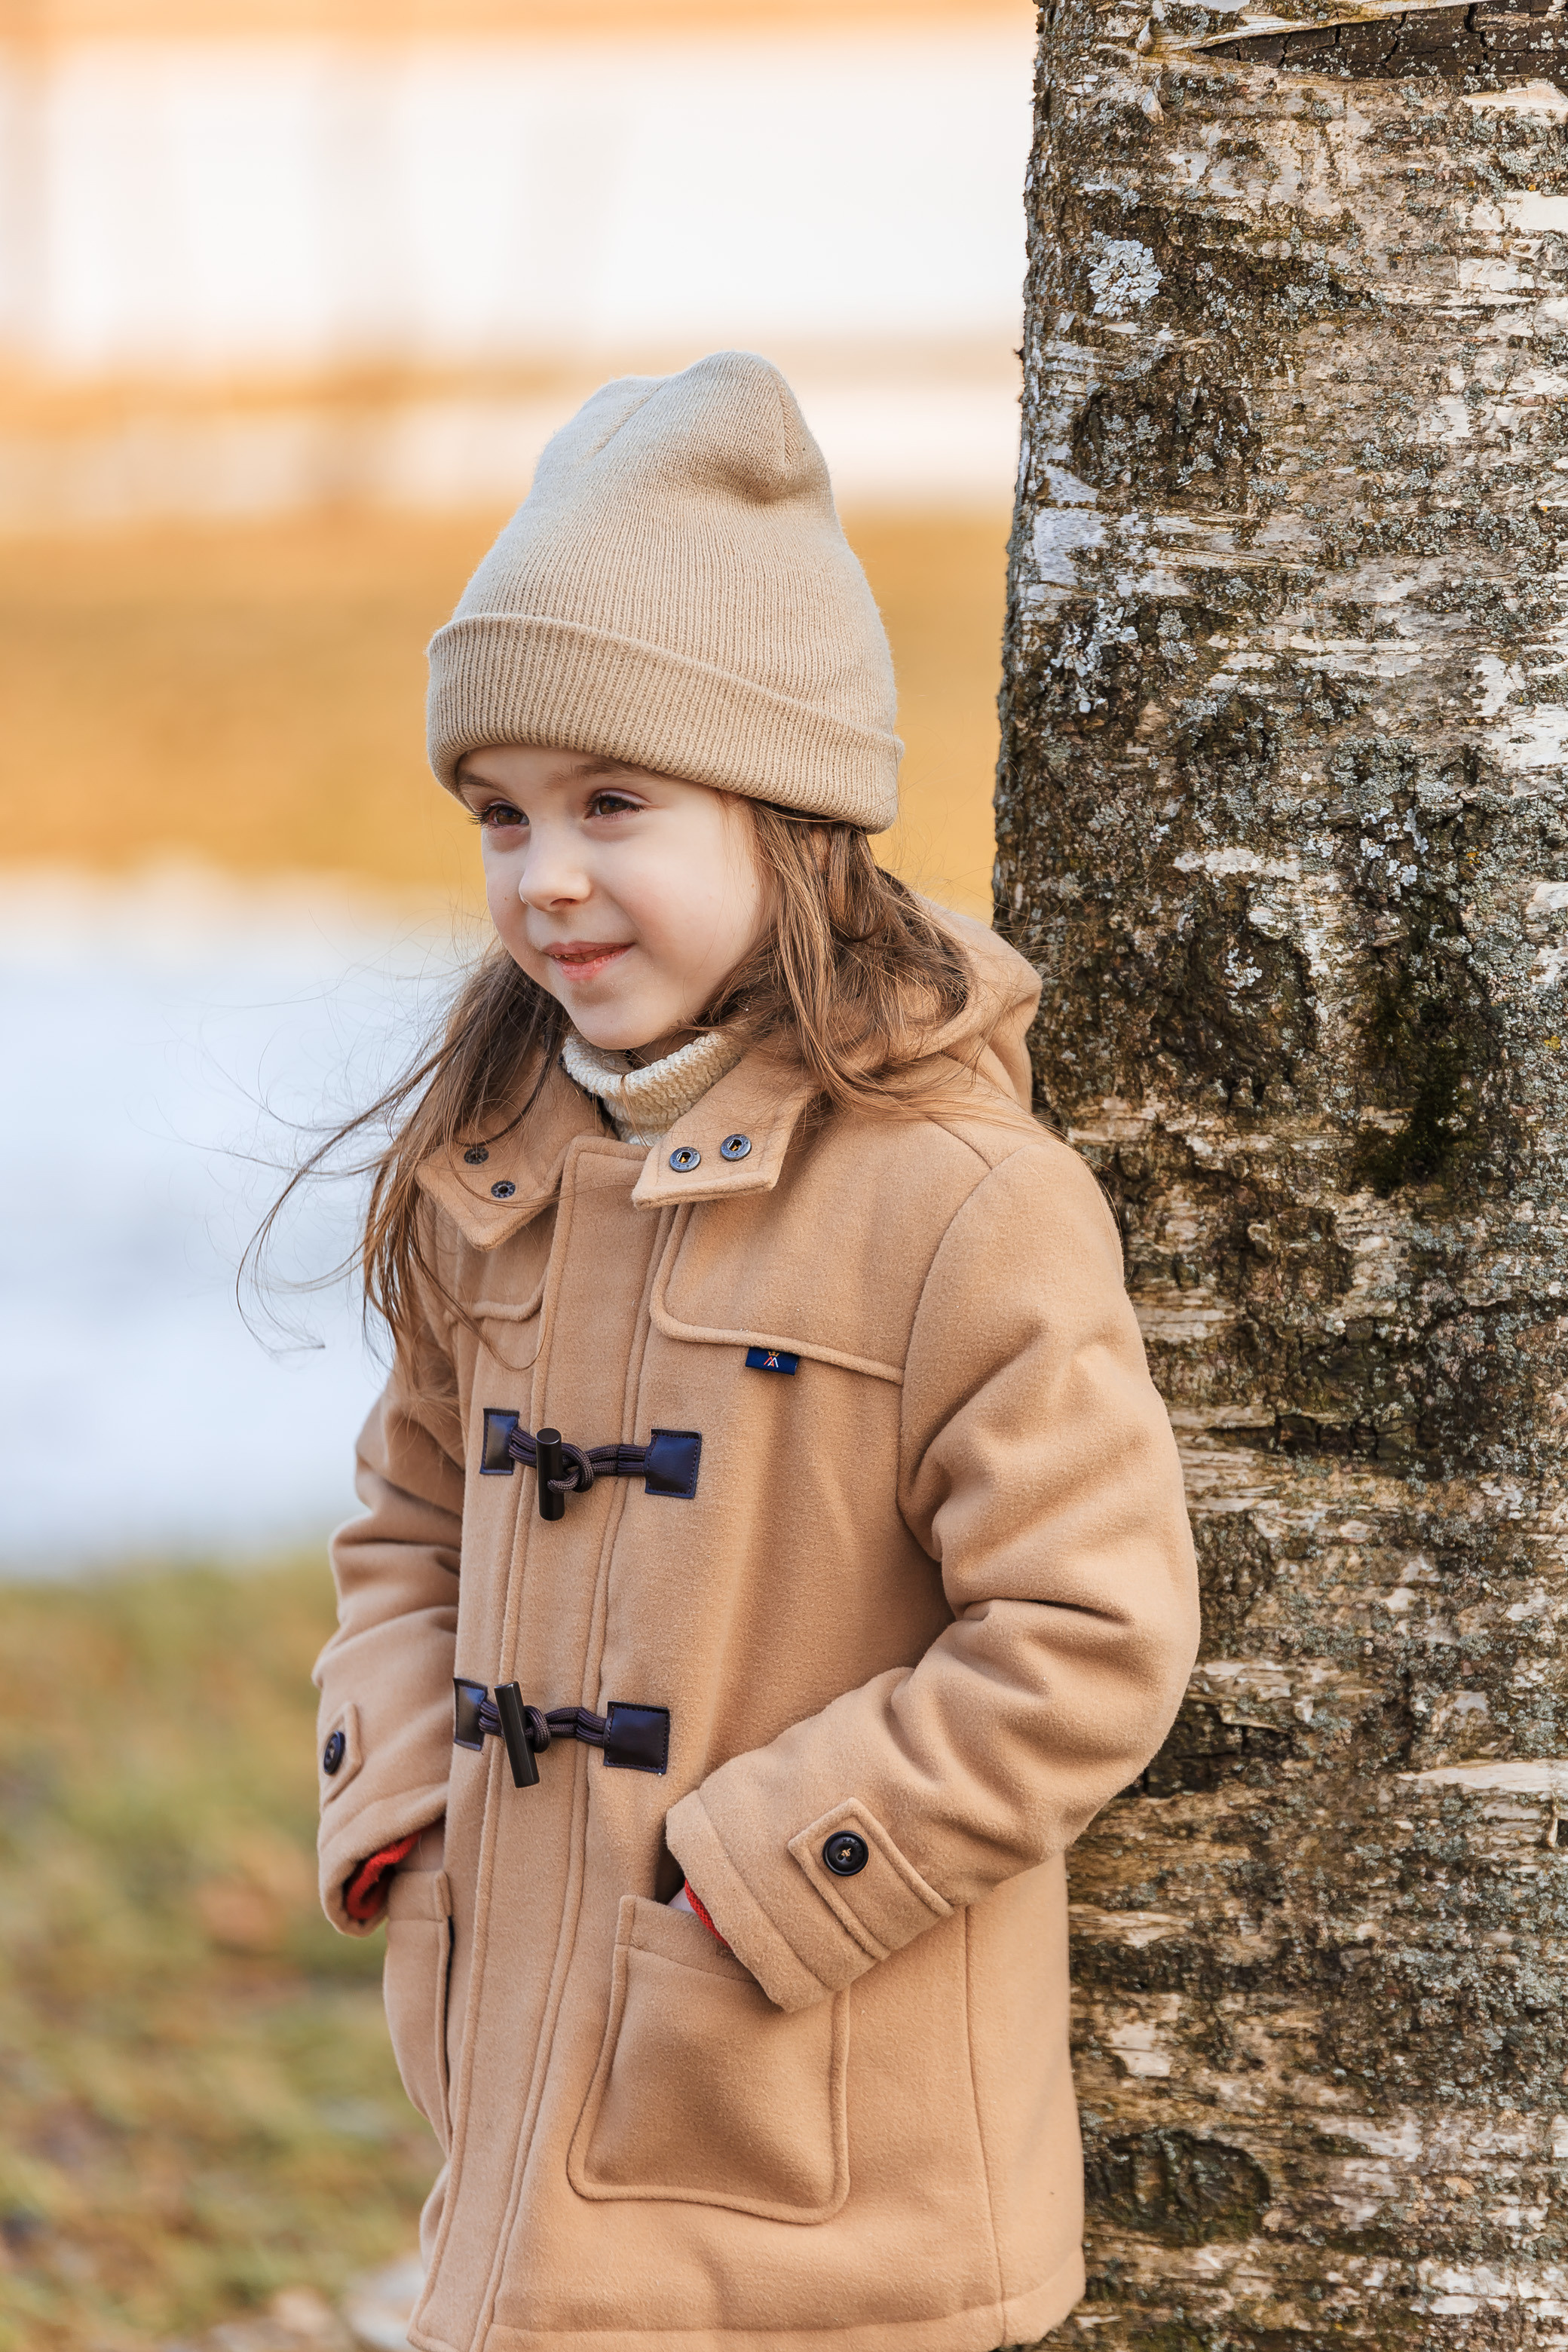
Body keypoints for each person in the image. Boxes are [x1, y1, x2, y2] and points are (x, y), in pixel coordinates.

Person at [311, 350, 1199, 2352]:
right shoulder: (501, 1173)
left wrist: (755, 1875)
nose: (545, 876)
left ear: (783, 808)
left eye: (614, 803)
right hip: (524, 2115)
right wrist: (407, 1806)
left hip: (826, 2176)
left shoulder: (957, 1200)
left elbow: (1089, 1632)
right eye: (502, 812)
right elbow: (407, 1521)